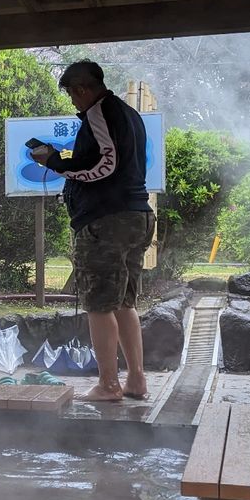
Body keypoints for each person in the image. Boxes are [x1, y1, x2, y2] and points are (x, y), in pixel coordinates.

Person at [30, 60, 156, 402]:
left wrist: (56, 162)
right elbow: (111, 159)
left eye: (72, 94)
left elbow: (104, 165)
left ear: (82, 89)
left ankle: (108, 384)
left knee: (99, 304)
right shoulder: (129, 114)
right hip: (136, 216)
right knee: (122, 303)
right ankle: (137, 381)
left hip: (107, 220)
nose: (73, 102)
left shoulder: (101, 112)